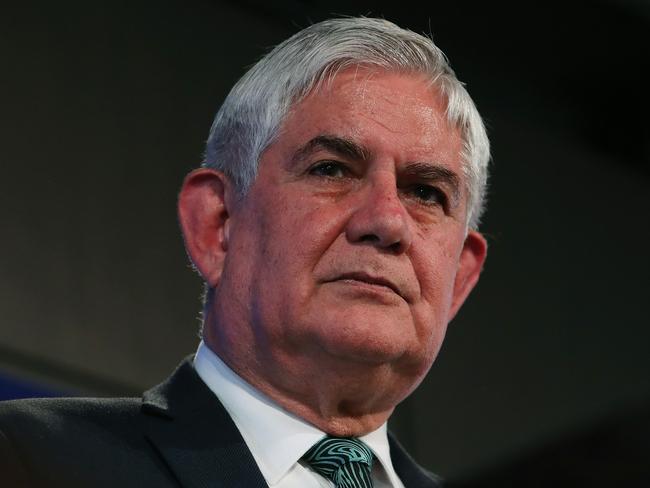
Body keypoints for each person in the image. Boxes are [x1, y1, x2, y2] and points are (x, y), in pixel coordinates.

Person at [0, 17, 489, 487]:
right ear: (218, 226)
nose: (386, 221)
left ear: (459, 280)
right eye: (332, 169)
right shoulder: (28, 458)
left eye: (426, 193)